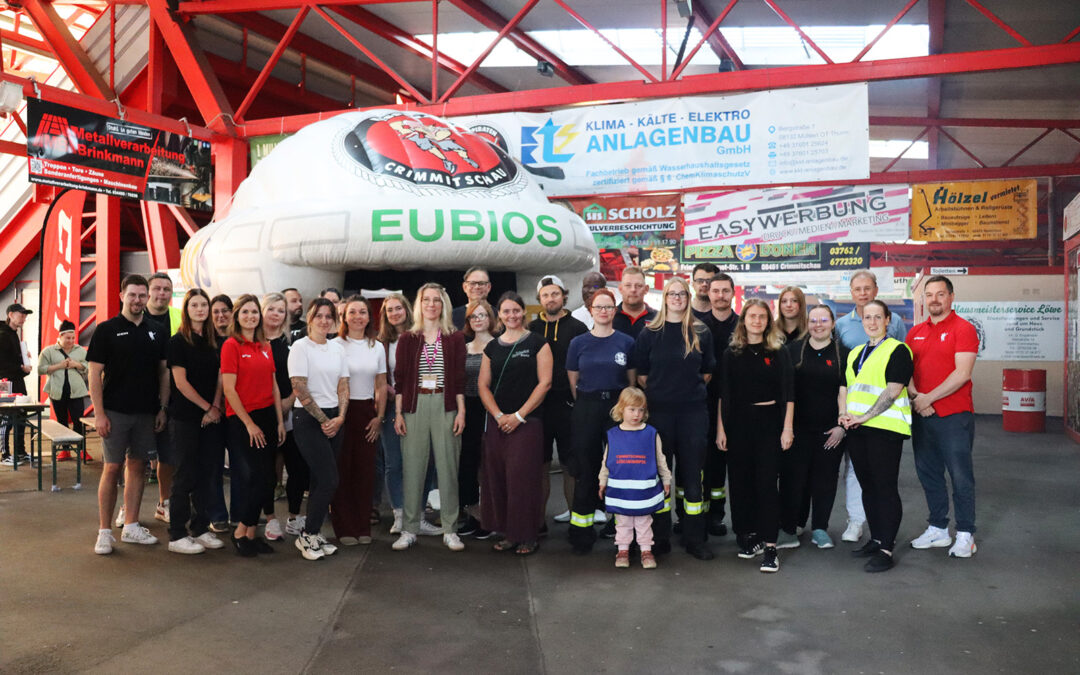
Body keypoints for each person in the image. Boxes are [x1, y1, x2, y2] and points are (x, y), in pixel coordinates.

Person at [634, 277, 715, 560]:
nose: (677, 298)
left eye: (682, 293)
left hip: (693, 412)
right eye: (672, 293)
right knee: (661, 476)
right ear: (665, 297)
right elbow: (641, 374)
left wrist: (684, 391)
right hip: (659, 413)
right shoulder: (649, 333)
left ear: (688, 297)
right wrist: (663, 392)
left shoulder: (701, 332)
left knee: (693, 476)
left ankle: (695, 538)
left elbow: (707, 372)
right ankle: (660, 537)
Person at [90, 275, 168, 554]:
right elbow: (94, 373)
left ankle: (132, 525)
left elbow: (163, 372)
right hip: (114, 412)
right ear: (121, 295)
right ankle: (104, 531)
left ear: (148, 298)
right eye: (132, 295)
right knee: (111, 468)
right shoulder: (107, 329)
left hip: (146, 413)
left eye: (142, 295)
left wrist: (162, 408)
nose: (137, 300)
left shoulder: (157, 330)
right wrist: (99, 414)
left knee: (138, 467)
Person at [717, 298, 794, 573]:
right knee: (740, 484)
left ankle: (770, 546)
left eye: (762, 316)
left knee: (766, 484)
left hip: (770, 423)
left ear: (768, 321)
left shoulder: (778, 351)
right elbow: (724, 394)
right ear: (744, 320)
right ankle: (748, 537)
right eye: (752, 316)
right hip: (738, 424)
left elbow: (788, 394)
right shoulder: (731, 353)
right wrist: (721, 429)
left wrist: (787, 428)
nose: (757, 321)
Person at [906, 276, 980, 558]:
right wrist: (916, 398)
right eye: (929, 295)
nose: (934, 300)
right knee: (928, 472)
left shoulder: (964, 329)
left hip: (954, 416)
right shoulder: (915, 333)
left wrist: (928, 398)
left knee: (961, 475)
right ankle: (937, 529)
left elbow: (962, 373)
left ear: (951, 297)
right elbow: (907, 371)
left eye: (940, 294)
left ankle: (965, 534)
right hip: (923, 414)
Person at [839, 300, 913, 573]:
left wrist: (864, 417)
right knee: (867, 485)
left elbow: (892, 390)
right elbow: (845, 387)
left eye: (877, 317)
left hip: (885, 429)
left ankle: (886, 548)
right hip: (858, 428)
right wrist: (843, 414)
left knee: (884, 486)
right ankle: (876, 538)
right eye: (867, 317)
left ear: (888, 320)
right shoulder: (855, 352)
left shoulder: (898, 350)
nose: (871, 322)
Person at [392, 283, 467, 552]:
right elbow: (399, 380)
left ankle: (450, 529)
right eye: (427, 300)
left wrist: (461, 412)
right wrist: (399, 413)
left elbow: (459, 379)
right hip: (414, 405)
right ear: (419, 305)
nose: (432, 304)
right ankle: (410, 528)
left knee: (448, 467)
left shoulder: (455, 338)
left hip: (446, 403)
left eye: (437, 300)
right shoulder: (408, 339)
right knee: (413, 468)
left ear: (443, 304)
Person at [478, 292, 553, 556]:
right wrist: (499, 416)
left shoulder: (538, 343)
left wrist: (519, 416)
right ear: (499, 314)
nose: (512, 316)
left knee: (523, 479)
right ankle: (507, 532)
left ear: (523, 312)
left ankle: (527, 534)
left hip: (528, 422)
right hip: (497, 422)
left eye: (516, 310)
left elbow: (545, 383)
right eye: (506, 311)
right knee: (497, 478)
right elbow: (483, 385)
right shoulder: (492, 347)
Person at [565, 288, 636, 553]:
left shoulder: (627, 342)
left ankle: (623, 530)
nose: (604, 312)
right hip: (587, 409)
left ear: (614, 311)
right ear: (591, 311)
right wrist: (588, 401)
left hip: (617, 409)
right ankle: (581, 531)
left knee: (619, 467)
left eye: (608, 307)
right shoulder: (578, 343)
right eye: (599, 307)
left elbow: (631, 382)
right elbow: (573, 380)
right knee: (586, 468)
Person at [221, 294, 286, 558]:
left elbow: (274, 385)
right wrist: (248, 424)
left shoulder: (264, 345)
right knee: (255, 478)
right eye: (245, 312)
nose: (251, 316)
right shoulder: (231, 346)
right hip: (243, 420)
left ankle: (249, 534)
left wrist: (281, 421)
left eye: (254, 312)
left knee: (267, 478)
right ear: (237, 316)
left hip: (268, 416)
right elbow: (229, 389)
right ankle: (240, 532)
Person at [780, 305, 849, 550]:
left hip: (830, 432)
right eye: (813, 320)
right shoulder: (792, 350)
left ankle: (820, 528)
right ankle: (790, 528)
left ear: (832, 323)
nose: (818, 325)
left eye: (823, 320)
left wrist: (842, 428)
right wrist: (786, 427)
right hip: (797, 430)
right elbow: (784, 391)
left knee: (825, 481)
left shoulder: (844, 353)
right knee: (793, 480)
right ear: (807, 323)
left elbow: (849, 395)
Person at [165, 289, 226, 555]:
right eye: (195, 305)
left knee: (206, 473)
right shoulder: (178, 341)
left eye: (204, 305)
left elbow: (221, 378)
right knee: (185, 475)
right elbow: (180, 382)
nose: (200, 309)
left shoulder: (214, 341)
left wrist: (215, 407)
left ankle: (200, 528)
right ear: (186, 309)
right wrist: (206, 407)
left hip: (211, 418)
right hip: (185, 418)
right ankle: (177, 533)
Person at [289, 298, 349, 560]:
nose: (324, 320)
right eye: (319, 315)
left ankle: (312, 534)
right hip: (309, 419)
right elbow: (299, 388)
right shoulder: (300, 348)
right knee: (329, 479)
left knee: (319, 480)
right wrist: (325, 420)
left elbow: (343, 385)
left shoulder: (337, 348)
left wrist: (340, 418)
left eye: (329, 316)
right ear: (310, 318)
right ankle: (308, 535)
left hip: (335, 417)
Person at [528, 275, 588, 528]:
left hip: (568, 408)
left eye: (555, 294)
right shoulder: (531, 329)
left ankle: (577, 522)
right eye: (545, 295)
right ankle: (537, 523)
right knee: (539, 465)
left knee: (569, 465)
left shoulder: (578, 328)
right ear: (539, 299)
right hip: (538, 408)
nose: (550, 299)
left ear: (564, 295)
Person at [333, 295, 387, 546]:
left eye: (362, 312)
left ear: (369, 317)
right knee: (343, 470)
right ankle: (343, 527)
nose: (357, 317)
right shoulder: (335, 345)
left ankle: (362, 524)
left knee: (365, 472)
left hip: (367, 412)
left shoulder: (376, 346)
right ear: (343, 317)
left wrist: (379, 417)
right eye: (352, 312)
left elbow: (381, 385)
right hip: (340, 412)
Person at [599, 387, 671, 569]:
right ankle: (622, 550)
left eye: (641, 410)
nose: (636, 414)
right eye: (632, 409)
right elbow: (606, 461)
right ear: (621, 409)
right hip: (621, 490)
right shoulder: (613, 434)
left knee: (644, 521)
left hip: (644, 490)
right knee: (622, 522)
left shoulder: (651, 433)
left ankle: (646, 550)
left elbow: (660, 458)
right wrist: (602, 481)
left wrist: (666, 479)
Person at [260, 293, 308, 542]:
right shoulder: (254, 342)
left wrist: (289, 402)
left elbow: (301, 375)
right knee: (267, 470)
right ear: (263, 311)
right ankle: (269, 518)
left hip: (291, 411)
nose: (276, 314)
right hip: (263, 413)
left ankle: (294, 516)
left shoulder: (294, 342)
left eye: (281, 310)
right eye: (272, 309)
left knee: (297, 467)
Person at [699, 273, 738, 536]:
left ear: (733, 293)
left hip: (738, 403)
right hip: (702, 401)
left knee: (731, 463)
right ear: (708, 294)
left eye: (725, 291)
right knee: (704, 462)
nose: (720, 295)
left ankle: (723, 515)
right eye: (716, 291)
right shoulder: (697, 326)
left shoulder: (744, 325)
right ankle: (702, 514)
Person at [457, 299, 496, 538]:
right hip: (468, 409)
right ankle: (473, 514)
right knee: (468, 464)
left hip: (492, 409)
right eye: (474, 316)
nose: (478, 319)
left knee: (489, 465)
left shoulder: (499, 346)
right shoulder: (464, 347)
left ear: (491, 318)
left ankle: (491, 516)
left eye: (483, 315)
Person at [376, 292, 413, 534]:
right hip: (390, 406)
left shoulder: (420, 336)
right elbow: (375, 374)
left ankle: (417, 513)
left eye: (398, 308)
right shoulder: (380, 342)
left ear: (407, 310)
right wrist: (384, 387)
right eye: (390, 310)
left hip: (417, 404)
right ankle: (399, 513)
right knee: (394, 462)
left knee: (420, 461)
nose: (395, 313)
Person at [144, 272, 179, 525]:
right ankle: (127, 506)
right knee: (133, 458)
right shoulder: (133, 317)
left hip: (174, 397)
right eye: (157, 289)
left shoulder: (178, 317)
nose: (162, 294)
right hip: (139, 398)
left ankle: (164, 502)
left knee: (167, 455)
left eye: (167, 289)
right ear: (148, 292)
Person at [37, 320, 90, 461]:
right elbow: (40, 369)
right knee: (61, 422)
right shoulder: (48, 351)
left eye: (73, 338)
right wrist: (59, 366)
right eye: (67, 338)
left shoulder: (80, 351)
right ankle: (64, 450)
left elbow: (88, 367)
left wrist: (75, 364)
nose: (71, 341)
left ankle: (81, 450)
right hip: (57, 391)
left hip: (76, 391)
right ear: (60, 337)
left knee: (79, 421)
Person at [206, 294, 233, 533]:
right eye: (216, 311)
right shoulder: (204, 342)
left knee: (240, 465)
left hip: (238, 413)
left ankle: (241, 514)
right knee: (213, 466)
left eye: (225, 310)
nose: (221, 315)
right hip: (213, 413)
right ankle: (217, 514)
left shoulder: (240, 341)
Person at [0, 303, 32, 465]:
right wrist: (20, 366)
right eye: (21, 315)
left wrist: (23, 358)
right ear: (10, 314)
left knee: (21, 415)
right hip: (5, 383)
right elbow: (2, 363)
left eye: (25, 316)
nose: (24, 318)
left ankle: (20, 451)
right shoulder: (3, 334)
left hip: (17, 381)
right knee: (7, 417)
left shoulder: (13, 334)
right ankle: (5, 454)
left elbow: (11, 358)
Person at [612, 266, 656, 338]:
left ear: (646, 289)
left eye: (638, 286)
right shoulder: (609, 317)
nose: (633, 290)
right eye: (628, 285)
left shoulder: (658, 319)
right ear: (620, 289)